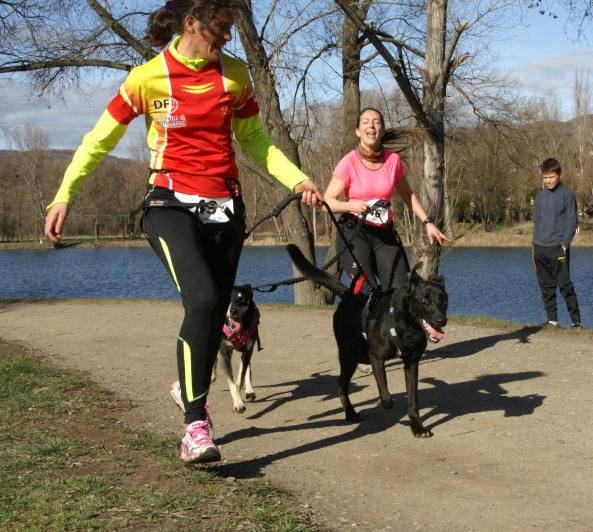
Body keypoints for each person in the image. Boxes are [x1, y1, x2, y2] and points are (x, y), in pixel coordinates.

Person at [43, 0, 322, 464]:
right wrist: (64, 192)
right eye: (221, 29)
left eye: (232, 28)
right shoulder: (146, 78)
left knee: (212, 317)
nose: (228, 38)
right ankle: (196, 425)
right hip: (168, 203)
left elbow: (254, 138)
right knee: (205, 301)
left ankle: (185, 382)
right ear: (191, 23)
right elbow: (99, 140)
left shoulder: (235, 75)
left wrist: (297, 178)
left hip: (224, 206)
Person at [323, 108, 451, 293]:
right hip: (355, 232)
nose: (371, 125)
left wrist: (428, 222)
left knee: (400, 293)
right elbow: (328, 202)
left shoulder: (393, 161)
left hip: (384, 234)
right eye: (365, 122)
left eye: (376, 122)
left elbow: (407, 194)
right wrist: (352, 206)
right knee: (367, 292)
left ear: (382, 130)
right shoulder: (349, 162)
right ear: (358, 131)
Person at [532, 157, 582, 329]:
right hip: (540, 247)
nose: (548, 181)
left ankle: (576, 322)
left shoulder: (568, 196)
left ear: (560, 175)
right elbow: (537, 221)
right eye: (545, 177)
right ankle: (552, 320)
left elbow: (572, 222)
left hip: (558, 248)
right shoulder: (539, 197)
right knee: (546, 286)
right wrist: (535, 242)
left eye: (551, 177)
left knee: (565, 285)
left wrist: (564, 244)